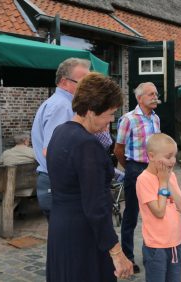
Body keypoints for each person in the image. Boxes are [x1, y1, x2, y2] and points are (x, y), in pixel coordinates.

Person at [46, 72, 133, 281]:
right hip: (84, 234)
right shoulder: (87, 144)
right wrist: (117, 253)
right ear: (92, 111)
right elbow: (96, 205)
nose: (111, 120)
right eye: (110, 114)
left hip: (60, 228)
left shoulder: (60, 132)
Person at [31, 57, 90, 219]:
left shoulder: (58, 103)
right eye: (83, 82)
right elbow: (50, 151)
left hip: (53, 181)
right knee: (68, 240)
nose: (88, 87)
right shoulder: (62, 106)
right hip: (57, 183)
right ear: (64, 82)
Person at [114, 82, 161, 272]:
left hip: (154, 169)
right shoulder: (128, 119)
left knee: (154, 213)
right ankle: (128, 257)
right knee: (131, 214)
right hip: (135, 167)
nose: (155, 96)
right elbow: (118, 149)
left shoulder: (156, 119)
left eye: (156, 93)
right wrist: (130, 168)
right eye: (151, 94)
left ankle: (153, 255)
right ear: (140, 98)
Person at [135, 133, 181, 282]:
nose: (173, 161)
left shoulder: (171, 176)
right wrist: (163, 183)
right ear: (151, 156)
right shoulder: (144, 180)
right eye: (168, 157)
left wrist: (168, 180)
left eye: (174, 156)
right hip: (156, 247)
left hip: (175, 244)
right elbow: (159, 211)